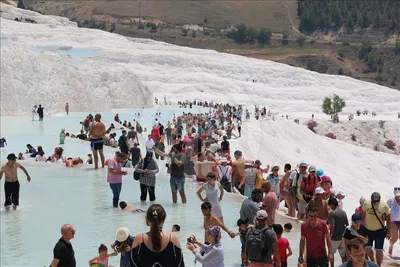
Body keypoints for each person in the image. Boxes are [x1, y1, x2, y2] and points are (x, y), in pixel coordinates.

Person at [362, 192, 391, 266]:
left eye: (376, 202)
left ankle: (378, 265)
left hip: (380, 230)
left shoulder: (384, 205)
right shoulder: (366, 204)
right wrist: (361, 227)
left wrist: (388, 232)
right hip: (368, 230)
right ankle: (372, 262)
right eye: (373, 201)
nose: (375, 203)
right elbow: (363, 215)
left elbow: (388, 219)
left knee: (378, 250)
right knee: (368, 248)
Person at [328, 197, 349, 266]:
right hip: (342, 238)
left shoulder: (332, 213)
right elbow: (347, 224)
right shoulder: (343, 212)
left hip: (334, 238)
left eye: (330, 205)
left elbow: (333, 225)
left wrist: (330, 235)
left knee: (331, 254)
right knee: (343, 256)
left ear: (331, 204)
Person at [387, 187, 400, 257]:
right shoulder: (391, 200)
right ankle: (391, 246)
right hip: (394, 221)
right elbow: (385, 207)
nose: (398, 197)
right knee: (395, 238)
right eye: (396, 195)